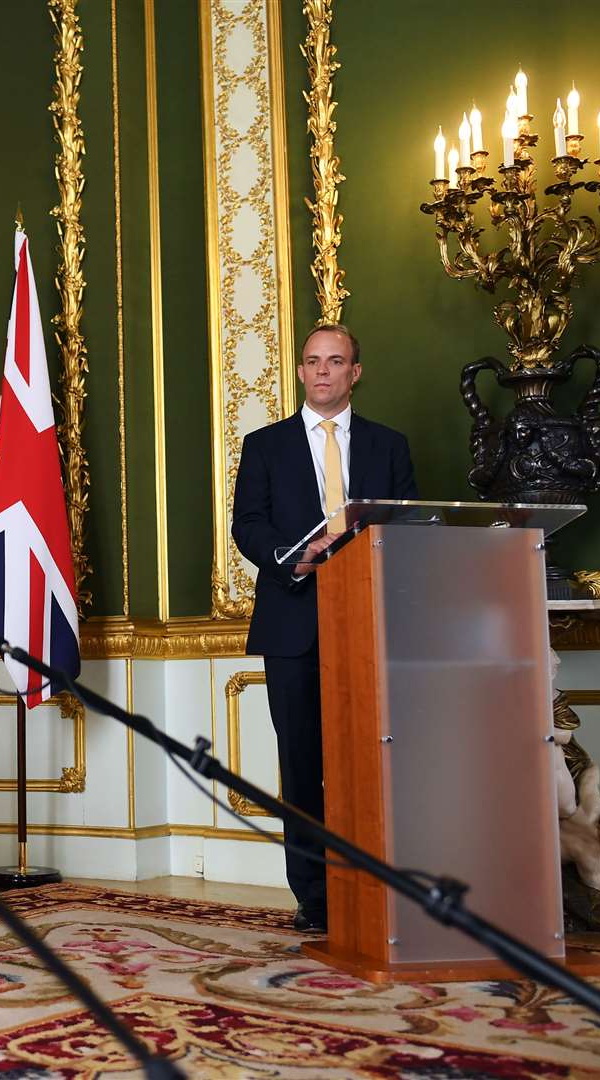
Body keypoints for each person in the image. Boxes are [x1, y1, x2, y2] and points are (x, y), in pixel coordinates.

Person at [230, 323, 418, 932]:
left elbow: (408, 524)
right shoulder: (265, 445)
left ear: (354, 372)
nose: (322, 372)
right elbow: (247, 525)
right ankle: (316, 898)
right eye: (312, 362)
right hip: (292, 627)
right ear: (301, 370)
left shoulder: (389, 446)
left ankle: (378, 886)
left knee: (372, 760)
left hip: (371, 623)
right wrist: (289, 557)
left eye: (335, 362)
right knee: (303, 764)